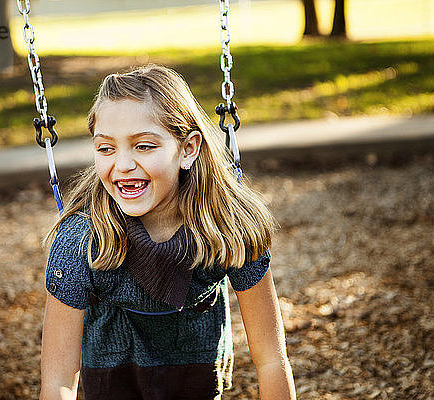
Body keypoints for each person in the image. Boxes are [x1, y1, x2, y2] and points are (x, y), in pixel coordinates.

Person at [40, 65, 296, 400]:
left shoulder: (229, 226)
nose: (123, 164)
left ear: (188, 149)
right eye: (106, 148)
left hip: (196, 375)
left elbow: (271, 360)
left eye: (144, 146)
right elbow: (58, 381)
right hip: (111, 378)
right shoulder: (81, 241)